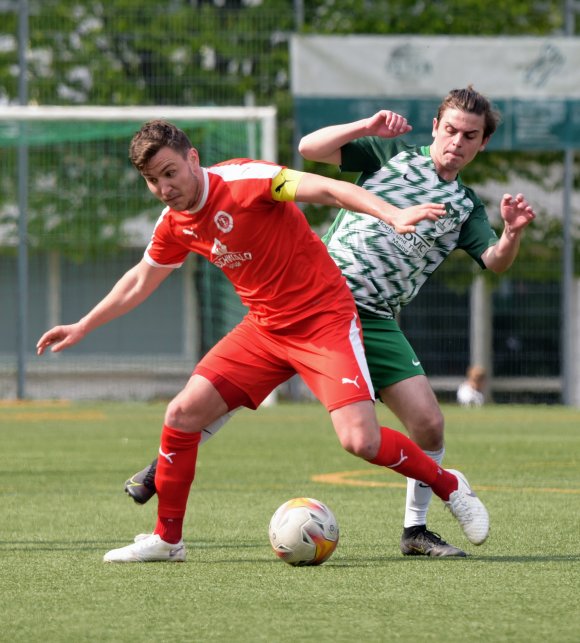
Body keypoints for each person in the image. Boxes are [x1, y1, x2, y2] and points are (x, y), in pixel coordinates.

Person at [36, 119, 489, 563]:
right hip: (265, 328)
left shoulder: (246, 180)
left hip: (323, 319)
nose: (164, 188)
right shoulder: (173, 223)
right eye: (153, 181)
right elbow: (140, 280)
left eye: (170, 173)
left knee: (360, 441)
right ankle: (167, 540)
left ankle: (449, 486)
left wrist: (393, 214)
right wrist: (83, 325)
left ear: (193, 159)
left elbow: (327, 189)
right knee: (182, 413)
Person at [125, 86, 534, 559]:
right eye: (450, 130)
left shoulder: (465, 207)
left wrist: (512, 234)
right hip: (318, 296)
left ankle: (415, 530)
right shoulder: (393, 152)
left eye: (470, 136)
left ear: (481, 144)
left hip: (375, 317)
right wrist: (366, 127)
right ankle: (167, 467)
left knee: (428, 423)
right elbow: (311, 150)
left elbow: (495, 261)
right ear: (436, 127)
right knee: (217, 396)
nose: (457, 142)